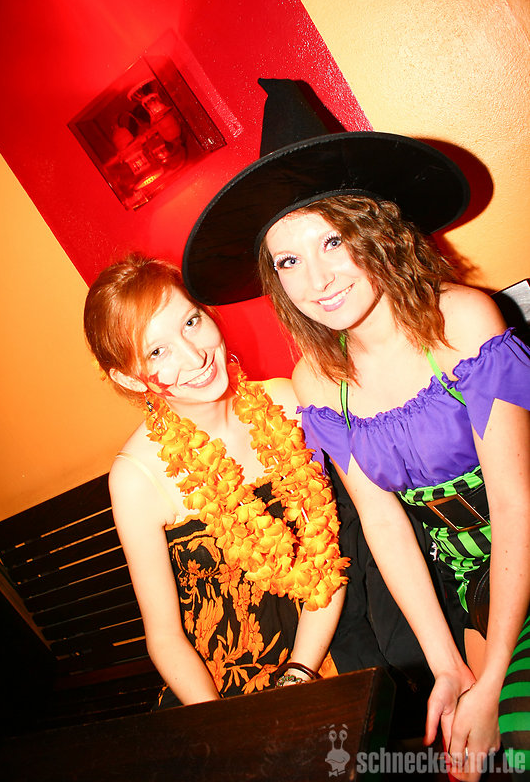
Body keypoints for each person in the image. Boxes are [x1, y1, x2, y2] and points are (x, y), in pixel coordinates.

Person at [182, 79, 530, 777]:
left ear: (377, 232)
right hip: (465, 582)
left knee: (514, 729)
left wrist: (491, 677)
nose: (315, 280)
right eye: (288, 260)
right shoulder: (318, 381)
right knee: (472, 760)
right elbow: (383, 522)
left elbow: (516, 502)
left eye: (332, 241)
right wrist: (447, 666)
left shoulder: (463, 321)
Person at [83, 253, 349, 707]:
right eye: (157, 351)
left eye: (191, 322)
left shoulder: (288, 402)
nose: (195, 356)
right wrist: (225, 725)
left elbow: (329, 555)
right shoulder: (136, 477)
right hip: (219, 691)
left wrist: (299, 676)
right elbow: (165, 637)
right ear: (130, 378)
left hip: (328, 644)